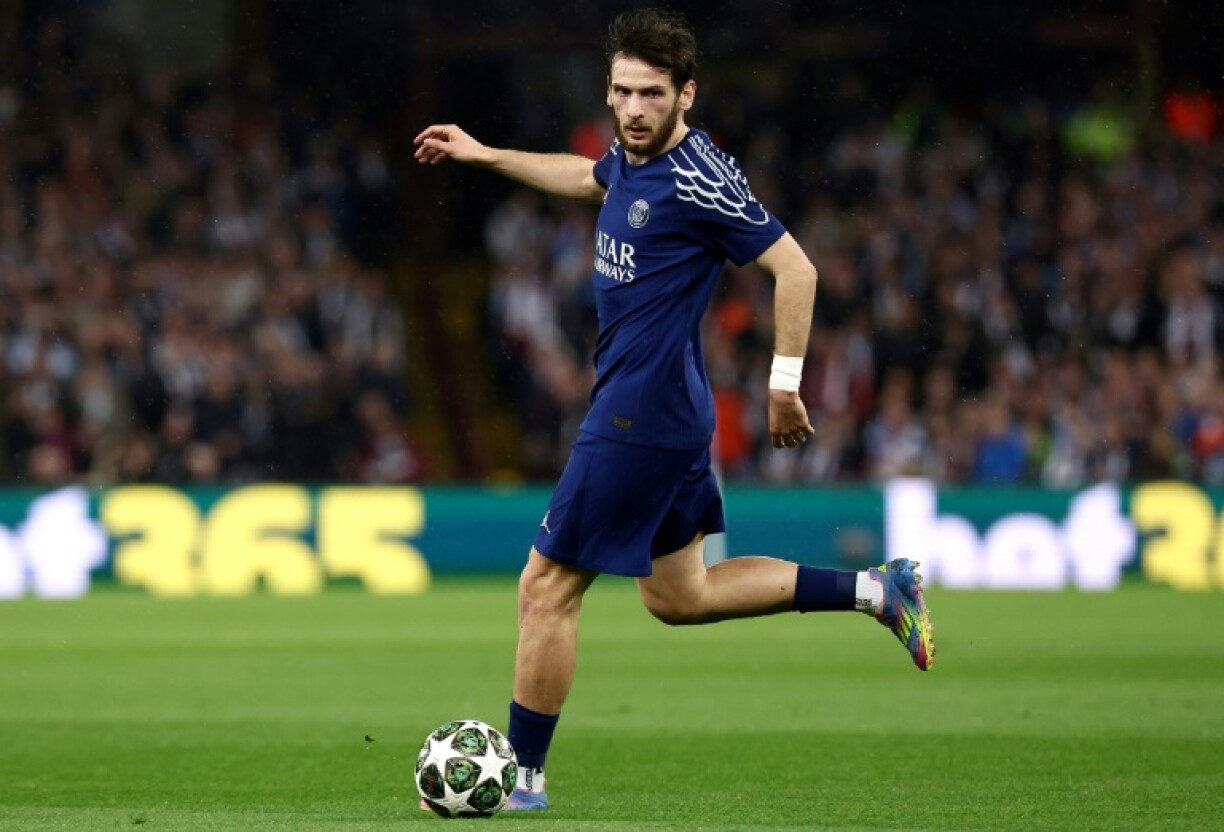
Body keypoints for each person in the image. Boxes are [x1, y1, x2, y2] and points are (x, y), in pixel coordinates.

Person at [414, 8, 935, 812]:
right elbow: (584, 176)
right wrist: (483, 153)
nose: (631, 109)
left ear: (685, 94)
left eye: (651, 94)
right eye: (621, 91)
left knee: (545, 586)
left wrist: (782, 382)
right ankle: (877, 591)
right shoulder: (628, 156)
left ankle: (520, 778)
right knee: (678, 596)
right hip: (663, 408)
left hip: (640, 415)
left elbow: (797, 271)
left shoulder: (700, 177)